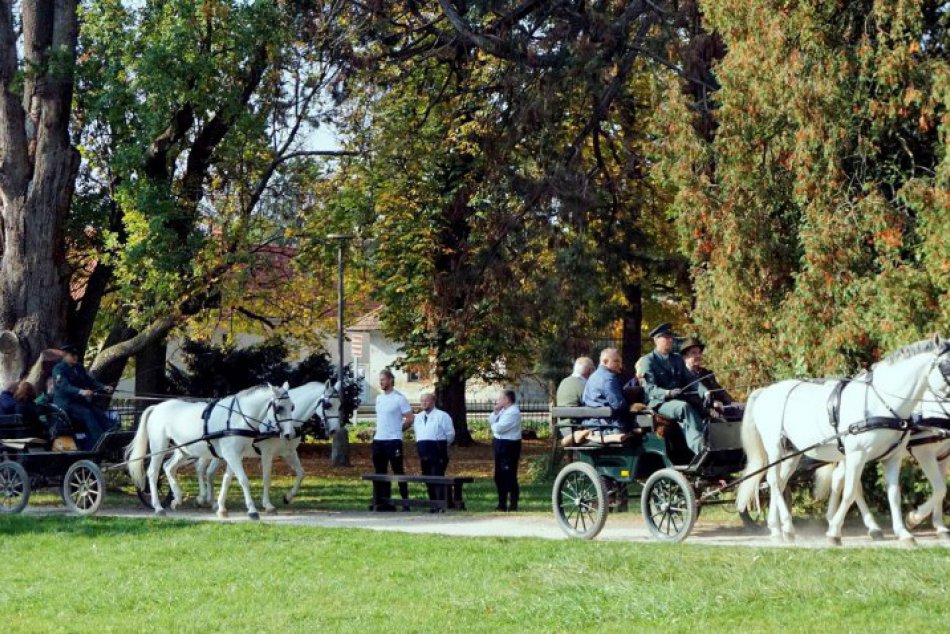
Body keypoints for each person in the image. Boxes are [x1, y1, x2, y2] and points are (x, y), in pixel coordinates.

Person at [636, 323, 705, 457]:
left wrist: (705, 392)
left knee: (704, 407)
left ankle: (709, 445)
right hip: (659, 403)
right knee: (684, 407)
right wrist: (667, 393)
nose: (670, 340)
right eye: (666, 338)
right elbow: (650, 389)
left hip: (677, 400)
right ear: (656, 340)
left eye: (671, 338)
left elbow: (691, 380)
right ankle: (700, 448)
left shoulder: (677, 358)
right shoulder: (648, 361)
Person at [52, 344, 115, 450]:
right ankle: (99, 443)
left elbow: (90, 381)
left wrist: (103, 387)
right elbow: (64, 386)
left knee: (97, 411)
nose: (75, 357)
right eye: (72, 355)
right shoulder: (58, 369)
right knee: (87, 413)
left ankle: (112, 435)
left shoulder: (79, 367)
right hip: (66, 404)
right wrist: (81, 391)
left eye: (76, 355)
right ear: (65, 355)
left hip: (80, 403)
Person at [372, 368, 414, 511]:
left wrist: (398, 430)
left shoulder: (399, 398)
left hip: (393, 440)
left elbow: (410, 418)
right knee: (380, 471)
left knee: (398, 470)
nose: (381, 382)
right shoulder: (379, 398)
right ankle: (382, 501)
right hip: (379, 440)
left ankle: (405, 502)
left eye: (383, 379)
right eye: (380, 380)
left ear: (390, 380)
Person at [680, 337, 744, 420]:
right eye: (693, 353)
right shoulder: (681, 376)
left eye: (699, 353)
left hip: (718, 407)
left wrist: (732, 402)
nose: (698, 356)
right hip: (698, 412)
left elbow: (719, 390)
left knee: (743, 412)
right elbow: (689, 398)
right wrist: (711, 404)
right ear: (684, 357)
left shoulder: (706, 373)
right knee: (719, 420)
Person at [413, 392, 455, 510]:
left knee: (437, 477)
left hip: (437, 450)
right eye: (422, 401)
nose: (424, 403)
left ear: (433, 401)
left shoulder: (442, 416)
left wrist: (441, 445)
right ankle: (433, 504)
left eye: (426, 400)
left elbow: (450, 434)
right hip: (423, 451)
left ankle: (440, 504)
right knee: (427, 478)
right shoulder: (418, 417)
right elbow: (417, 433)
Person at [582, 348, 633, 433]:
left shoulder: (593, 376)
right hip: (608, 426)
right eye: (616, 361)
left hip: (591, 423)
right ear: (605, 362)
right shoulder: (608, 378)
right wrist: (632, 406)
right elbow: (618, 405)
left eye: (620, 362)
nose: (620, 366)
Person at [489, 389, 521, 512]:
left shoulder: (513, 412)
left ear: (507, 399)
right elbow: (491, 420)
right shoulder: (503, 410)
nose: (498, 401)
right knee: (499, 475)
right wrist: (495, 413)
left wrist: (494, 426)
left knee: (509, 475)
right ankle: (501, 503)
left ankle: (513, 504)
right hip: (499, 443)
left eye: (500, 398)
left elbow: (499, 428)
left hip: (509, 445)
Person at [555, 356, 594, 436]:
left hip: (563, 427)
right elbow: (592, 405)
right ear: (590, 371)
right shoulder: (583, 385)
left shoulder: (564, 382)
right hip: (577, 428)